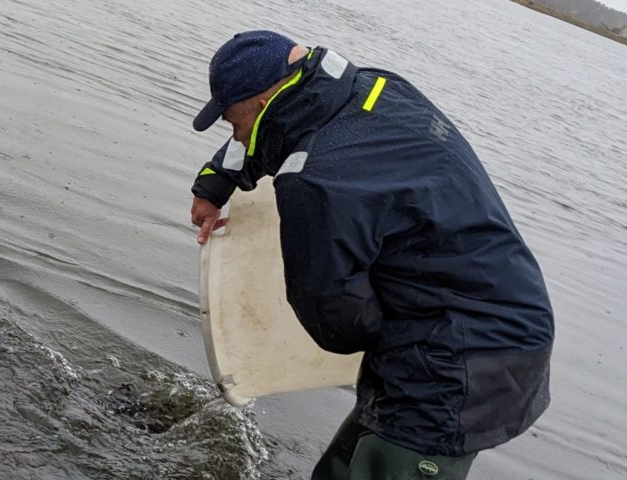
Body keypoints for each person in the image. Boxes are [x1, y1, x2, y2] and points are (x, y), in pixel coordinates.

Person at [187, 31, 554, 479]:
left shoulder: (312, 184)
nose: (235, 134)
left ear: (263, 106)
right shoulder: (376, 88)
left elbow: (337, 324)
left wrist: (385, 328)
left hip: (456, 368)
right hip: (495, 318)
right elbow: (276, 132)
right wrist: (213, 184)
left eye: (232, 123)